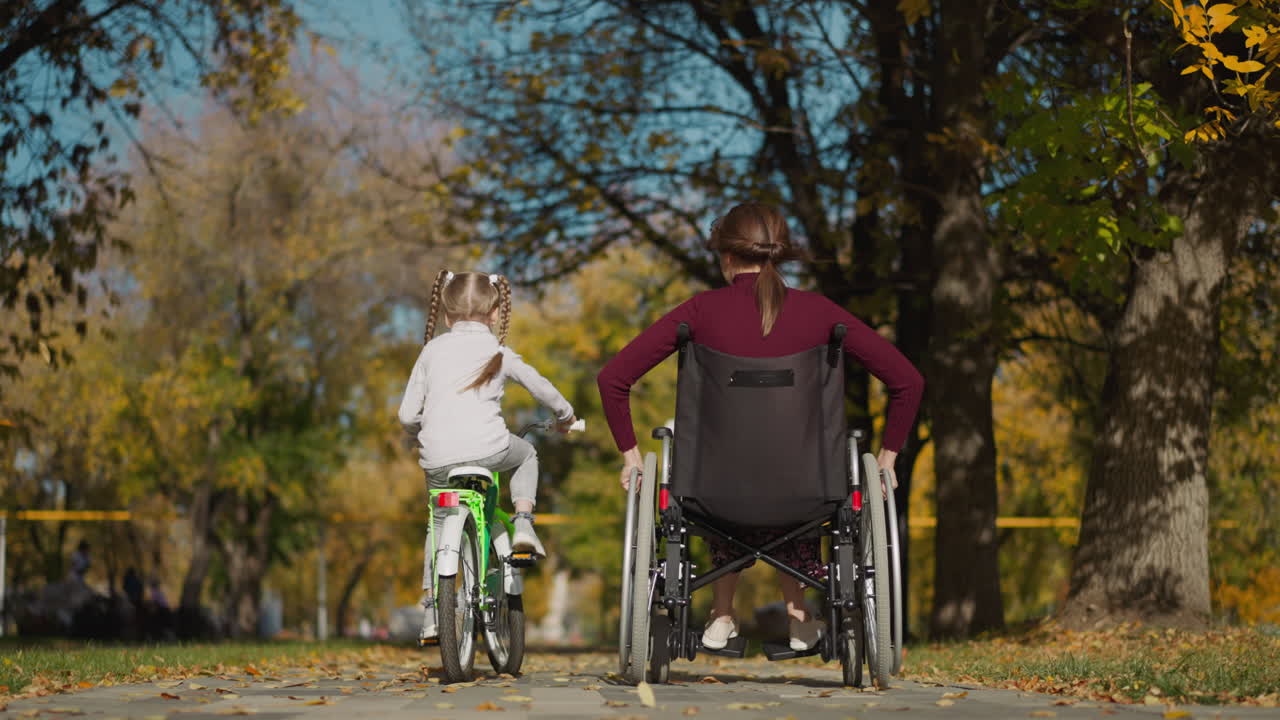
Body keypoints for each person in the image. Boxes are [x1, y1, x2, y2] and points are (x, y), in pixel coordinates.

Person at [597, 202, 924, 652]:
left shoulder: (700, 310)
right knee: (788, 471)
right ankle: (798, 615)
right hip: (808, 491)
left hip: (714, 491)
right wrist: (886, 459)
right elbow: (908, 381)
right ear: (778, 253)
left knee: (731, 473)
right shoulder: (821, 312)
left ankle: (721, 612)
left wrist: (631, 456)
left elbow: (612, 378)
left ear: (726, 256)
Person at [398, 270, 577, 642]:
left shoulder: (431, 351)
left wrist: (416, 436)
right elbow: (540, 387)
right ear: (495, 313)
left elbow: (406, 415)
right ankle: (524, 522)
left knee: (437, 521)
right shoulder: (498, 351)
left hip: (438, 461)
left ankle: (432, 611)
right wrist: (566, 416)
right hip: (492, 451)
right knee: (527, 455)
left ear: (447, 316)